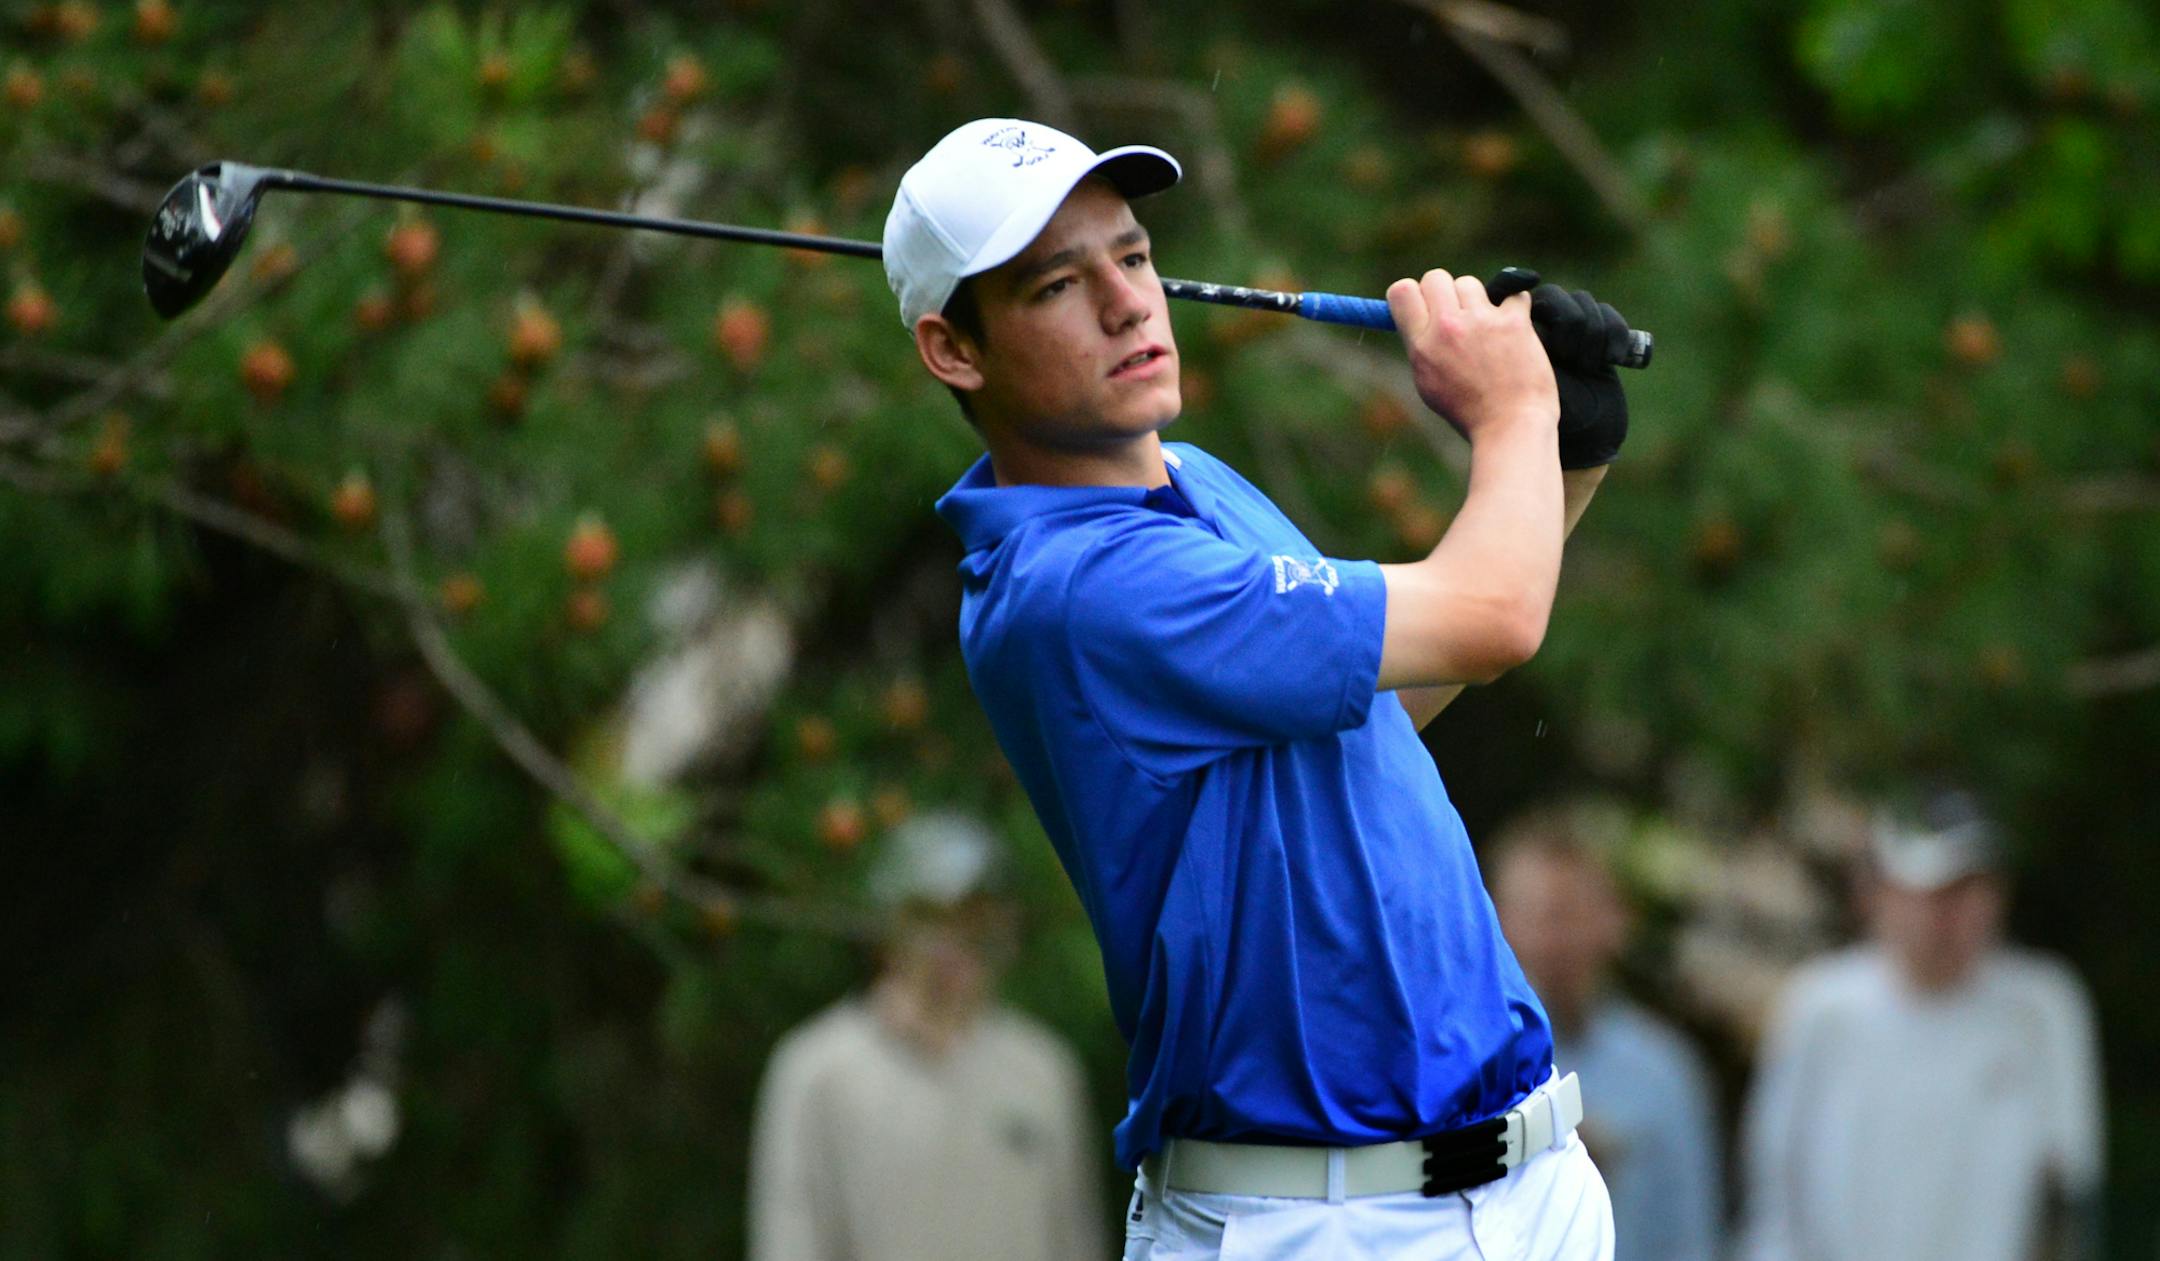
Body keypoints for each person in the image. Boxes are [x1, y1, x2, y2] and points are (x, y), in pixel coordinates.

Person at [887, 116, 1636, 1259]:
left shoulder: (1190, 482)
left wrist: (1563, 457)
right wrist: (1515, 414)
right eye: (1055, 286)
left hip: (1525, 1188)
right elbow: (1494, 617)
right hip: (1324, 1220)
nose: (1128, 303)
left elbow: (1385, 704)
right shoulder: (1081, 586)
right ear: (954, 350)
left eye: (1132, 257)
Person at [1736, 789, 2106, 1261]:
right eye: (1935, 891)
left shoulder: (2042, 1008)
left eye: (1973, 888)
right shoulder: (1820, 1009)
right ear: (1880, 892)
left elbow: (2066, 1192)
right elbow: (1775, 1193)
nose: (1953, 914)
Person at [745, 811, 1105, 1261]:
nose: (959, 940)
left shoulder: (1043, 1070)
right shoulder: (818, 1071)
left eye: (978, 919)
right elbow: (788, 1242)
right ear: (889, 925)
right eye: (934, 917)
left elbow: (1077, 1241)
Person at [1486, 804, 1725, 1261]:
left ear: (1614, 920)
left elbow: (1692, 1237)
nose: (1549, 939)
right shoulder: (1452, 1072)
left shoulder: (1664, 1072)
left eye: (1567, 914)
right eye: (1531, 914)